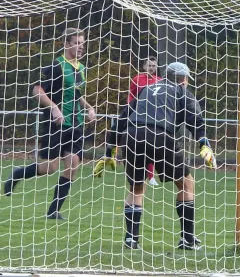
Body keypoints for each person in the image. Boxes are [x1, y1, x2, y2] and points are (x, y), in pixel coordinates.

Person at [99, 62, 216, 250]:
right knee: (186, 184)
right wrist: (204, 144)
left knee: (136, 188)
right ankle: (187, 239)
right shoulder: (181, 91)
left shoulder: (146, 89)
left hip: (132, 134)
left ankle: (131, 239)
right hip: (160, 135)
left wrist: (109, 151)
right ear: (183, 79)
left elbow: (122, 118)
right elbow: (197, 121)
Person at [3, 28, 96, 220]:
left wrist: (89, 107)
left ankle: (53, 211)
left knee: (73, 166)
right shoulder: (56, 66)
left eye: (82, 42)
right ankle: (18, 174)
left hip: (75, 125)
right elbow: (37, 90)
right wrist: (54, 107)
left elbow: (76, 95)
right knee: (50, 168)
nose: (81, 46)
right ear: (66, 44)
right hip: (56, 124)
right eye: (77, 42)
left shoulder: (81, 68)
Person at [96, 56, 162, 186]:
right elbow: (131, 94)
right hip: (137, 117)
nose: (152, 68)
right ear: (144, 67)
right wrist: (131, 108)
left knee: (151, 146)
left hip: (152, 119)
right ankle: (118, 160)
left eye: (154, 66)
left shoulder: (160, 81)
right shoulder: (137, 79)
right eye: (149, 65)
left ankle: (151, 176)